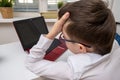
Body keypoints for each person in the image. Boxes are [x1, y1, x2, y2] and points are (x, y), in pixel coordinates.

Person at [25, 0, 116, 80]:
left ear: (81, 48)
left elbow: (31, 63)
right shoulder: (115, 46)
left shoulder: (75, 70)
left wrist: (51, 34)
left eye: (64, 37)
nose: (62, 38)